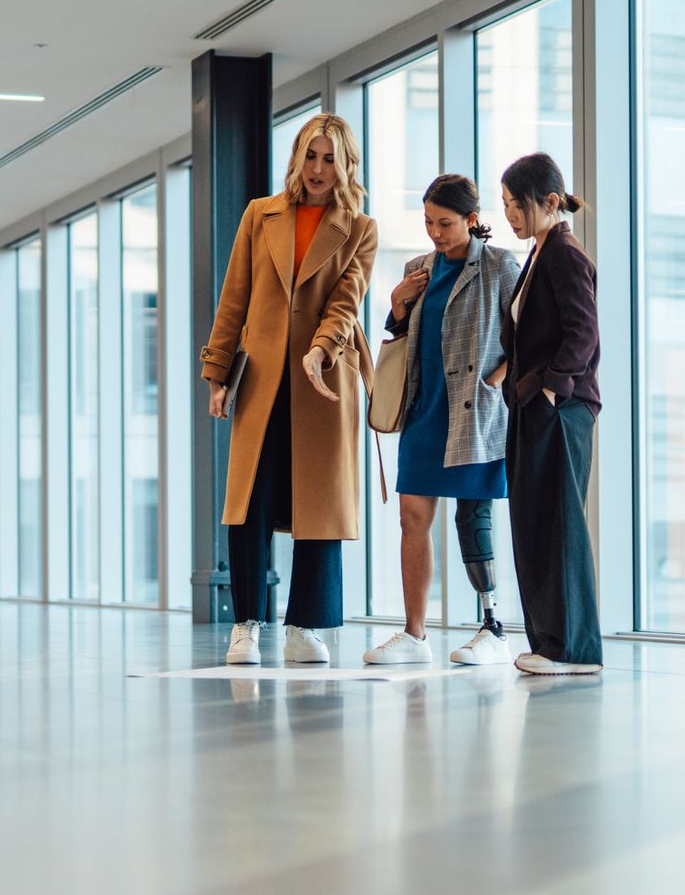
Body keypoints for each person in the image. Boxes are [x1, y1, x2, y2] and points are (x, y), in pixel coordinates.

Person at [202, 113, 378, 665]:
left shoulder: (360, 229)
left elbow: (346, 302)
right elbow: (235, 295)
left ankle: (306, 626)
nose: (319, 169)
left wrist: (321, 350)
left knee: (318, 503)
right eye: (311, 155)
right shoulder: (261, 215)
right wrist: (217, 373)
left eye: (330, 158)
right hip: (260, 378)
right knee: (249, 501)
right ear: (297, 158)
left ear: (346, 164)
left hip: (323, 381)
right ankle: (246, 625)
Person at [363, 174, 521, 667]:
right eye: (428, 221)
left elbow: (527, 330)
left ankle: (493, 626)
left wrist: (498, 377)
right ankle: (414, 635)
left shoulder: (499, 265)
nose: (435, 232)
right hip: (424, 410)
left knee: (473, 518)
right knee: (412, 518)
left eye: (445, 223)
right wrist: (396, 306)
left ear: (473, 221)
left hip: (474, 410)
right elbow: (402, 340)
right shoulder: (419, 269)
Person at [499, 152, 602, 676]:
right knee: (535, 523)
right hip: (533, 404)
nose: (511, 215)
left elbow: (583, 333)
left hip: (559, 409)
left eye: (518, 205)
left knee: (558, 524)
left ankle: (574, 650)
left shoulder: (564, 253)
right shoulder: (540, 252)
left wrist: (552, 391)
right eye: (506, 205)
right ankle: (548, 643)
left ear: (551, 202)